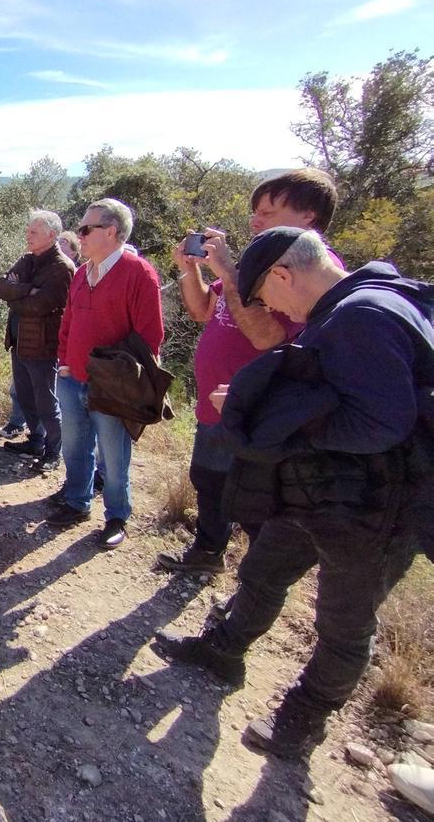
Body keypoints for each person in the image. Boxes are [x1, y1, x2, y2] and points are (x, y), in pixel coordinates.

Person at [153, 227, 430, 758]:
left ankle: (300, 724)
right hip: (326, 488)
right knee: (263, 570)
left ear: (282, 274)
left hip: (379, 508)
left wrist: (279, 415)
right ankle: (224, 652)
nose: (269, 309)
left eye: (265, 297)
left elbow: (384, 423)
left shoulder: (362, 316)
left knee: (343, 620)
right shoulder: (352, 306)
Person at [157, 169, 339, 575]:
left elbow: (266, 337)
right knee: (208, 479)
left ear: (308, 217)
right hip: (218, 403)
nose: (255, 220)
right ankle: (208, 552)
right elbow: (205, 310)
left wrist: (228, 271)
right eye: (255, 211)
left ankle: (254, 589)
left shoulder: (312, 272)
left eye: (268, 212)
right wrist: (191, 269)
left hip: (258, 410)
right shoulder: (259, 261)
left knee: (259, 502)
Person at [47, 198, 164, 549]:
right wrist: (64, 360)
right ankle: (77, 501)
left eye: (86, 229)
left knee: (114, 457)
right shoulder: (82, 272)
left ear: (111, 231)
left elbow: (150, 338)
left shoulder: (139, 273)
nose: (78, 235)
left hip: (113, 387)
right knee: (76, 446)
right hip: (71, 378)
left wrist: (119, 377)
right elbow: (69, 321)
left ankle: (116, 516)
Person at [0, 210, 75, 473]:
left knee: (46, 401)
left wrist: (17, 296)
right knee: (26, 396)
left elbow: (42, 305)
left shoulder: (62, 267)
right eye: (28, 230)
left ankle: (54, 452)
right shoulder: (27, 259)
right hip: (19, 341)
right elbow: (2, 287)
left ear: (51, 235)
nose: (27, 235)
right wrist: (27, 289)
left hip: (43, 345)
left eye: (33, 232)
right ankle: (36, 441)